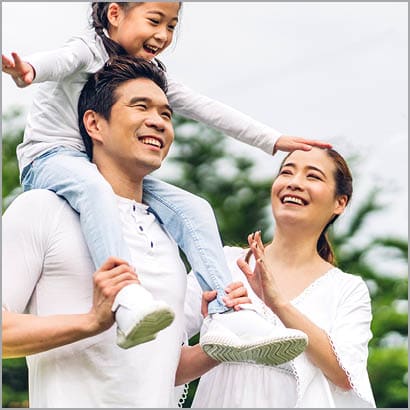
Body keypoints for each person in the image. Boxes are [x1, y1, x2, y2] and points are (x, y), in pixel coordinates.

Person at [1, 2, 329, 356]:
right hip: (51, 157)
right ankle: (125, 296)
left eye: (172, 26)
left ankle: (226, 310)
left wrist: (272, 140)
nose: (163, 35)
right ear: (115, 14)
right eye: (154, 21)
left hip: (94, 163)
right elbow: (59, 61)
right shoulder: (88, 48)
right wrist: (30, 70)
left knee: (194, 207)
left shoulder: (149, 74)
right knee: (93, 188)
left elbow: (204, 106)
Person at [2, 55, 253, 408]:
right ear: (94, 124)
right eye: (141, 107)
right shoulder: (42, 209)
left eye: (166, 114)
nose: (158, 122)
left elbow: (157, 368)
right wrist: (92, 322)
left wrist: (220, 344)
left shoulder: (169, 233)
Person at [178, 147, 376, 408]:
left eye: (313, 176)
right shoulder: (222, 263)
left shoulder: (347, 290)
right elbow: (164, 367)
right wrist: (220, 342)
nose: (294, 183)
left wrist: (277, 303)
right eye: (286, 172)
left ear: (340, 202)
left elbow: (345, 376)